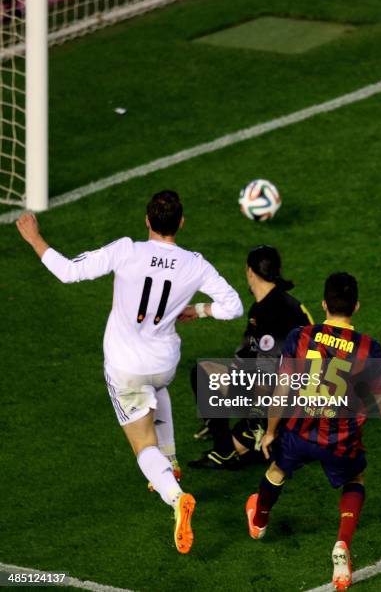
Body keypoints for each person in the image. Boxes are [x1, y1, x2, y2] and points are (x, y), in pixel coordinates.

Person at [16, 190, 243, 555]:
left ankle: (175, 496)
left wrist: (35, 238)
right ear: (180, 223)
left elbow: (69, 272)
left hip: (126, 368)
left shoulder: (127, 250)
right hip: (163, 363)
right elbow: (232, 306)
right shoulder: (194, 263)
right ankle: (169, 460)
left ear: (147, 221)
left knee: (141, 444)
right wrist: (199, 311)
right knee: (159, 391)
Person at [245, 272, 381, 590]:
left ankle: (259, 521)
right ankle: (342, 545)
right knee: (355, 479)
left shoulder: (300, 336)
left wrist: (271, 432)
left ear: (324, 304)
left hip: (299, 433)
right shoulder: (370, 349)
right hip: (341, 439)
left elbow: (282, 392)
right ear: (356, 306)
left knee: (277, 470)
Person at [188, 244, 313, 470]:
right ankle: (253, 436)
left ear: (250, 271)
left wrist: (256, 418)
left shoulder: (268, 312)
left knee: (203, 373)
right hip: (308, 393)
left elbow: (268, 376)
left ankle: (234, 446)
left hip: (287, 399)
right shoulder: (284, 302)